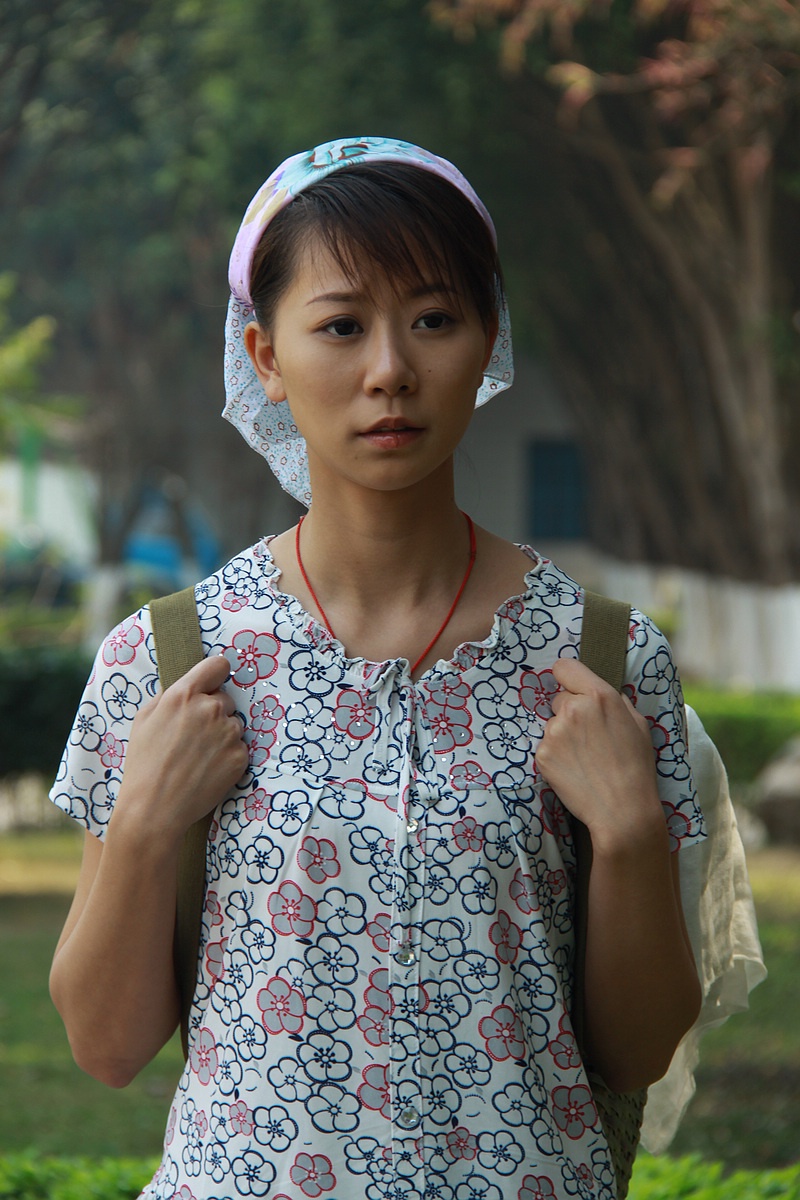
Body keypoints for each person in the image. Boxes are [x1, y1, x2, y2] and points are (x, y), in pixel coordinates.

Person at [49, 136, 704, 1200]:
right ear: (265, 355)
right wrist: (143, 825)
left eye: (433, 319)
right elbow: (105, 1048)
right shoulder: (169, 661)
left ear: (487, 338)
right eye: (341, 325)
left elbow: (635, 1055)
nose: (390, 369)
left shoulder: (603, 661)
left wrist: (628, 835)